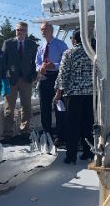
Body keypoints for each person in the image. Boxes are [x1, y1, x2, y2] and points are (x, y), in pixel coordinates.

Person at [53, 29, 94, 164]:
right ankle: (88, 152)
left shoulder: (69, 53)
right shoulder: (92, 53)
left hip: (73, 95)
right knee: (87, 124)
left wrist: (58, 93)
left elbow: (63, 75)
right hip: (90, 94)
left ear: (74, 39)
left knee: (72, 126)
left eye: (71, 38)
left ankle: (71, 156)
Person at [2, 21, 38, 137]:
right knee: (8, 107)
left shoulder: (32, 44)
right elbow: (3, 62)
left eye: (22, 30)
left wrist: (33, 75)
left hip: (26, 79)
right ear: (15, 31)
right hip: (10, 79)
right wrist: (4, 76)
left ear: (26, 32)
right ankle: (8, 132)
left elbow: (35, 62)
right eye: (18, 30)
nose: (20, 32)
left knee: (26, 106)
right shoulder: (8, 43)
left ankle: (25, 131)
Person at [36, 21, 68, 143]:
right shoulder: (40, 47)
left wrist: (53, 65)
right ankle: (47, 134)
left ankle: (61, 135)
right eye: (41, 29)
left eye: (44, 29)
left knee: (59, 107)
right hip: (44, 78)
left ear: (51, 30)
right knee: (44, 107)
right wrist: (41, 68)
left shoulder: (61, 45)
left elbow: (66, 63)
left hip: (57, 77)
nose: (42, 31)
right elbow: (37, 64)